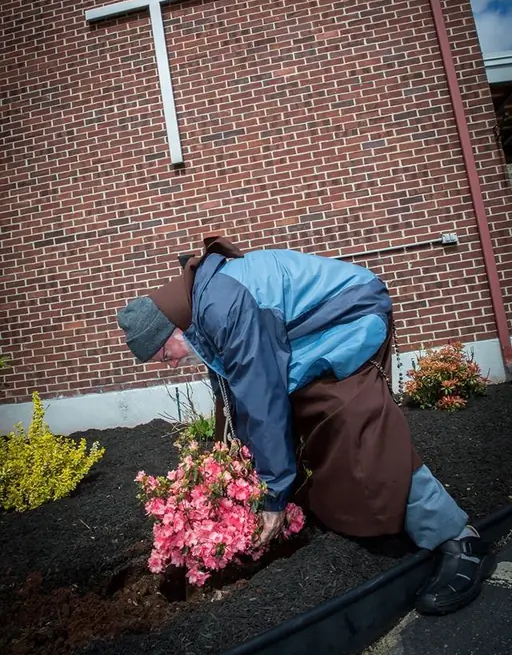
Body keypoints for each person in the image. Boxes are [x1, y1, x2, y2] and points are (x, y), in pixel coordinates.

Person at [117, 236, 495, 615]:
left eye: (163, 353)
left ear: (172, 330)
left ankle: (458, 540)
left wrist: (274, 496)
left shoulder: (221, 305)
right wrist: (236, 473)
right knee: (295, 420)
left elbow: (262, 394)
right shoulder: (201, 309)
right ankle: (349, 510)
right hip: (308, 333)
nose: (167, 363)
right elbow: (236, 401)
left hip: (349, 315)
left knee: (351, 419)